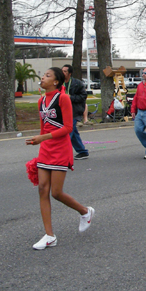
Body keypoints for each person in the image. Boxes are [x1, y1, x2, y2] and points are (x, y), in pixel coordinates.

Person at [26, 68, 94, 250]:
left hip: (60, 149)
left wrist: (44, 137)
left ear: (56, 82)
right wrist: (37, 140)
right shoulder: (41, 101)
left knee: (56, 192)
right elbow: (43, 127)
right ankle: (49, 236)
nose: (43, 77)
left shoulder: (63, 98)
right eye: (44, 75)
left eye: (48, 75)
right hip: (45, 149)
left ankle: (85, 211)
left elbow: (68, 128)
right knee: (42, 189)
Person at [61, 64, 89, 160]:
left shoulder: (77, 83)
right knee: (73, 133)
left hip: (74, 111)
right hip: (63, 111)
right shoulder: (59, 84)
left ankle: (62, 154)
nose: (63, 73)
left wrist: (71, 97)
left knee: (68, 132)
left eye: (65, 71)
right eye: (62, 71)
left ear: (70, 73)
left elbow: (83, 96)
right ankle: (82, 151)